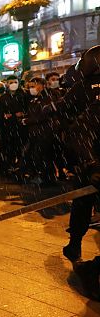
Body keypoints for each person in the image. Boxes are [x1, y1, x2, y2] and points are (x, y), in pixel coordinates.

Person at [57, 46, 100, 262]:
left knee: (82, 202)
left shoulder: (82, 88)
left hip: (90, 159)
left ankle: (75, 244)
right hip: (91, 155)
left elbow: (62, 111)